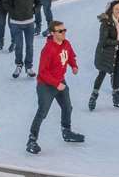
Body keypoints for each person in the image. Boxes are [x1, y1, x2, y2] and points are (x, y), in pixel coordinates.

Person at [27, 21, 84, 155]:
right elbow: (43, 72)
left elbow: (70, 56)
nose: (63, 32)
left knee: (67, 107)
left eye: (64, 30)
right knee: (42, 112)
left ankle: (66, 132)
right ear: (52, 33)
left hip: (60, 82)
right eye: (60, 31)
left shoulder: (66, 43)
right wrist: (56, 84)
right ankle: (31, 140)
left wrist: (73, 66)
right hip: (46, 85)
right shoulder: (48, 50)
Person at [89, 0, 119, 110]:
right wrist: (117, 42)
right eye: (117, 9)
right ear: (112, 9)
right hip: (105, 52)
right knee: (102, 73)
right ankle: (93, 96)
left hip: (116, 51)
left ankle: (116, 97)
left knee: (117, 72)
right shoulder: (106, 22)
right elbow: (103, 40)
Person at [2, 0, 43, 79]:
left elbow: (39, 3)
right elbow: (5, 2)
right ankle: (19, 65)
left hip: (29, 23)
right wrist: (13, 12)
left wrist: (34, 11)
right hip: (16, 23)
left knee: (30, 46)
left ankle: (28, 67)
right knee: (19, 46)